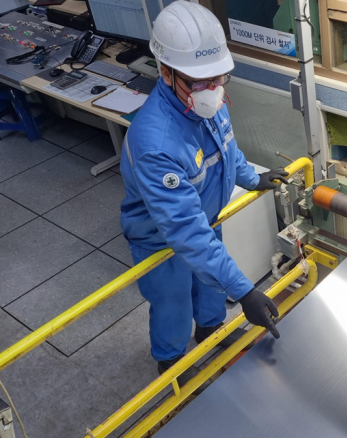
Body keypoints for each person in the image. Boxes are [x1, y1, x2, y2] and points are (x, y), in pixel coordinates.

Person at [119, 1, 289, 386]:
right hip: (161, 242)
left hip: (205, 221)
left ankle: (212, 333)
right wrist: (246, 292)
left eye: (218, 78)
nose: (212, 90)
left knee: (211, 292)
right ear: (165, 72)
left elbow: (226, 150)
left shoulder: (208, 102)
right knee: (173, 304)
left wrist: (252, 178)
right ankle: (172, 364)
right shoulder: (155, 143)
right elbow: (185, 233)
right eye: (199, 82)